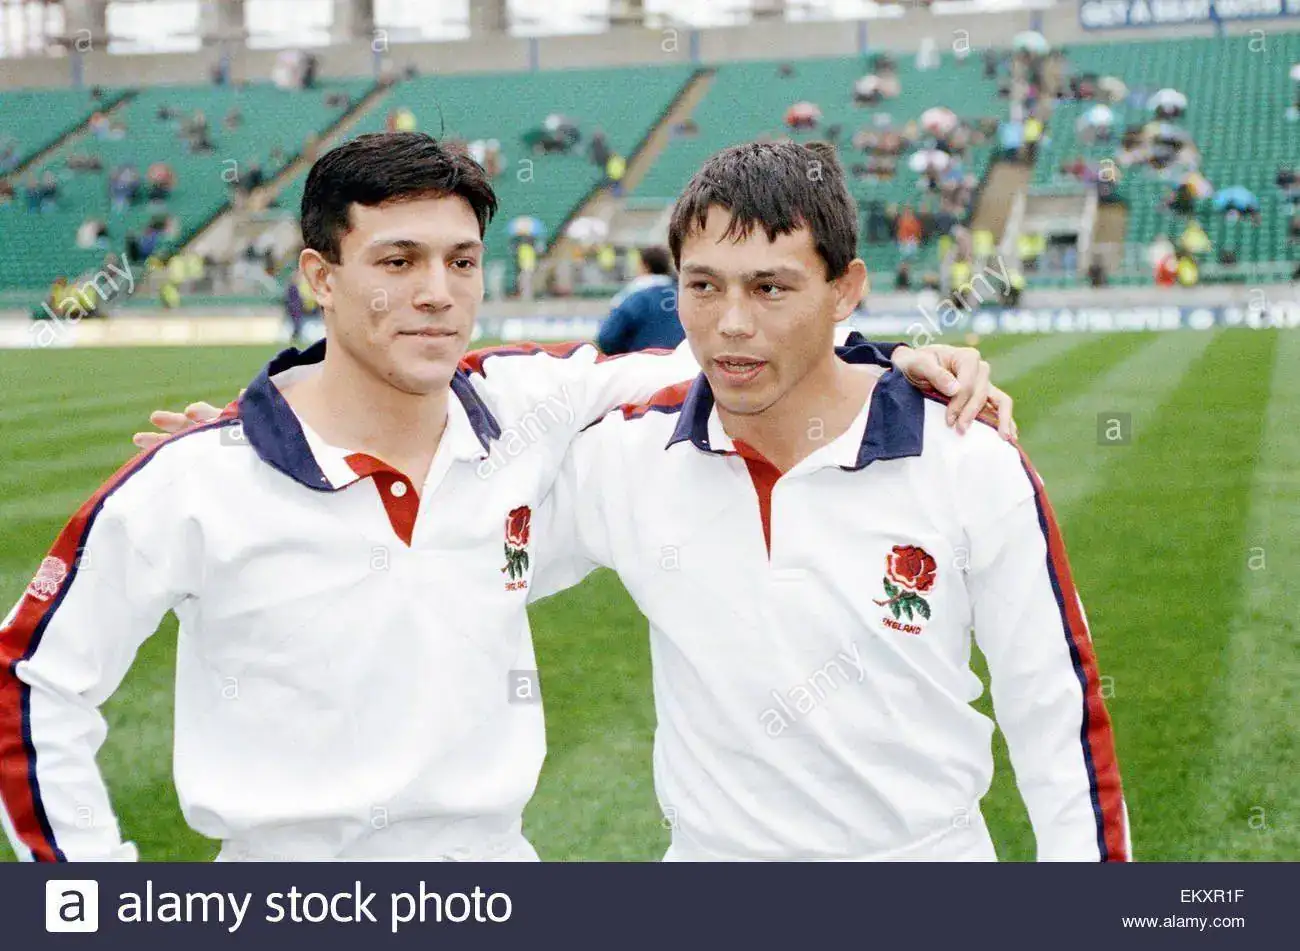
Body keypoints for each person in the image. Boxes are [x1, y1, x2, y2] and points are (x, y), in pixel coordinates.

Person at [1, 132, 1005, 863]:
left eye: (460, 261)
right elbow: (31, 680)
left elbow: (726, 360)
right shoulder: (196, 482)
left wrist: (892, 359)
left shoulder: (528, 405)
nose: (437, 291)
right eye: (397, 262)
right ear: (321, 276)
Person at [544, 141, 1128, 861]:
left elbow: (1058, 717)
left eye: (770, 288)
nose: (731, 322)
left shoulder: (967, 459)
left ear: (845, 290)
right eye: (702, 286)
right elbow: (468, 532)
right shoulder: (626, 459)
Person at [596, 246, 680, 355]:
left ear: (644, 265)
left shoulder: (632, 296)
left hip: (642, 366)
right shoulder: (684, 295)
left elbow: (607, 338)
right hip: (685, 365)